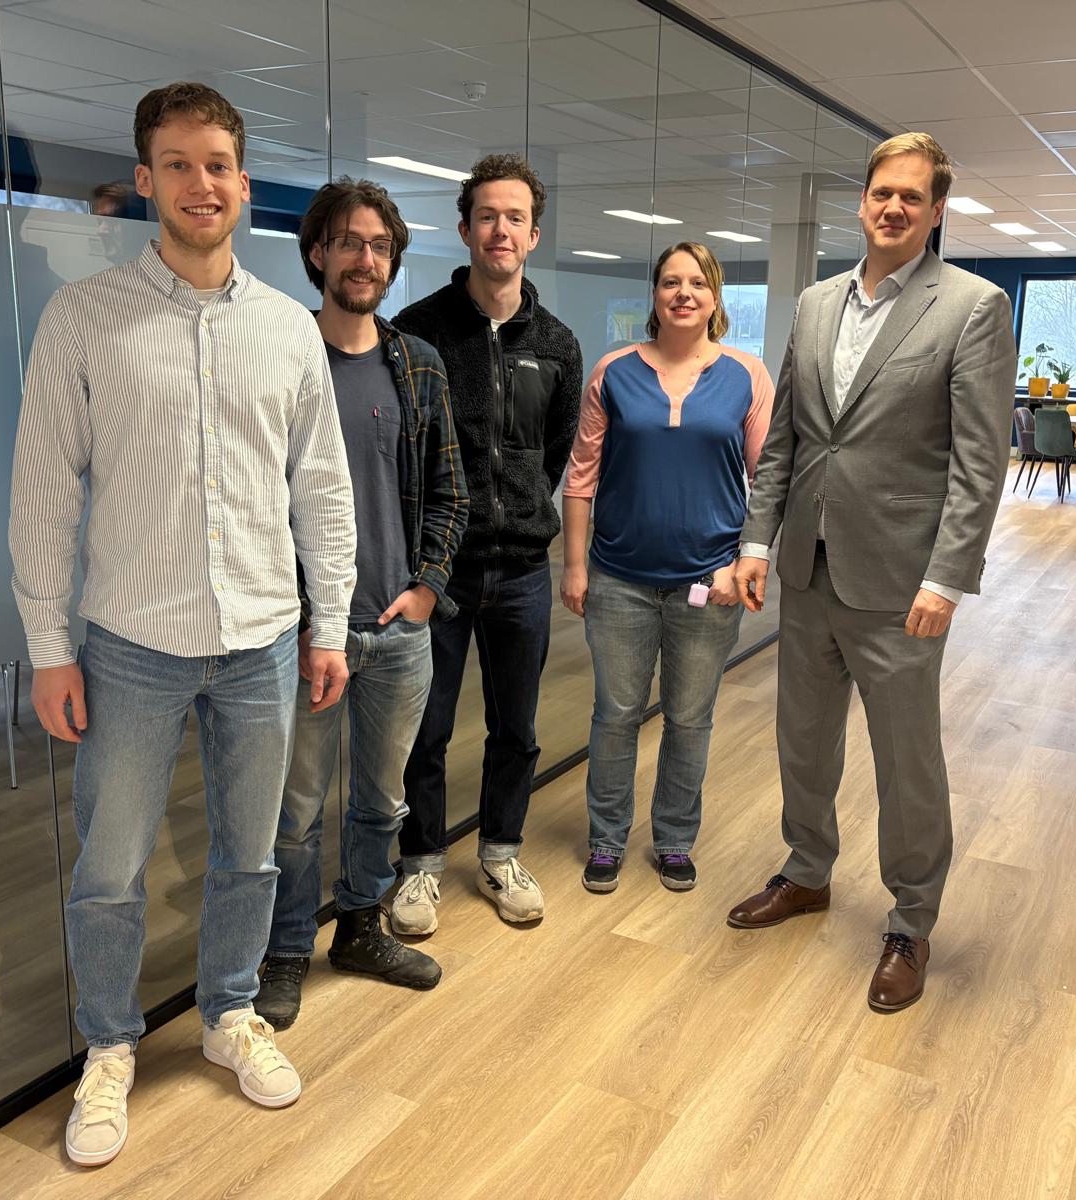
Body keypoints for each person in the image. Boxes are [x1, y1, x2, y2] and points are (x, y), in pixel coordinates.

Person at [8, 82, 356, 1166]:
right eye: (177, 163)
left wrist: (329, 624)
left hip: (262, 639)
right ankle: (110, 1045)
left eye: (217, 164)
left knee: (250, 856)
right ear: (145, 180)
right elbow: (42, 494)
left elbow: (322, 489)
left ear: (243, 183)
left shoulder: (288, 330)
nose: (199, 184)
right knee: (109, 866)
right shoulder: (84, 319)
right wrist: (49, 647)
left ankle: (228, 1013)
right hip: (130, 643)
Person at [726, 132, 1015, 1015]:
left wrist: (947, 579)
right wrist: (755, 543)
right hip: (807, 567)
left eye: (912, 197)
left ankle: (911, 920)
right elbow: (786, 439)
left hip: (901, 580)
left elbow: (979, 463)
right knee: (803, 739)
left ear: (935, 211)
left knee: (906, 760)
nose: (893, 208)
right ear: (862, 201)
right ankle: (807, 870)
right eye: (882, 192)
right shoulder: (817, 304)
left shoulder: (972, 307)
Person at [255, 178, 469, 1030]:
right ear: (318, 252)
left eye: (380, 246)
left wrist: (426, 590)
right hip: (309, 633)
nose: (365, 259)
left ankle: (359, 930)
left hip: (396, 629)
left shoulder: (417, 364)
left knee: (383, 802)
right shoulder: (282, 355)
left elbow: (451, 492)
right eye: (349, 241)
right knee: (295, 812)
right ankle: (283, 951)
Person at [389, 154, 582, 934]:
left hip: (523, 571)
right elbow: (403, 452)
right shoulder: (419, 331)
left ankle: (501, 852)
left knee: (517, 730)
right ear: (466, 229)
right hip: (439, 572)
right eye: (488, 216)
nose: (501, 230)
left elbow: (554, 452)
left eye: (516, 218)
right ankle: (420, 864)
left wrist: (522, 510)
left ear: (533, 236)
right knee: (425, 729)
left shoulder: (558, 344)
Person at [561, 242, 773, 895]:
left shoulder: (746, 375)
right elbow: (580, 478)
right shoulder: (614, 371)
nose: (684, 293)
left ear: (715, 297)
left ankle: (675, 840)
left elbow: (768, 482)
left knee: (689, 717)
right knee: (616, 713)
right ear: (655, 294)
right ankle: (606, 839)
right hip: (618, 578)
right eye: (671, 282)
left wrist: (746, 561)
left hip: (708, 581)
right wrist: (574, 566)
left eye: (697, 283)